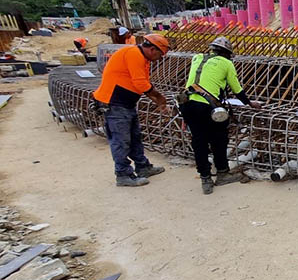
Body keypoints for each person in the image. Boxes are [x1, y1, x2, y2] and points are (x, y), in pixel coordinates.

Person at [179, 37, 262, 194]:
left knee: (199, 142)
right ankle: (222, 173)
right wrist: (250, 103)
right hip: (207, 106)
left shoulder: (197, 58)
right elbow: (237, 89)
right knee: (219, 139)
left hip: (186, 104)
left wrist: (184, 118)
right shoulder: (226, 63)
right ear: (226, 53)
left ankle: (205, 179)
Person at [92, 34, 170, 187]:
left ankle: (142, 167)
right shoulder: (134, 54)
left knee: (134, 137)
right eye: (160, 54)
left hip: (126, 104)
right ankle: (123, 174)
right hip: (115, 103)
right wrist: (159, 98)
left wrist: (157, 100)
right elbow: (140, 83)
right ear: (152, 49)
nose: (160, 58)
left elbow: (141, 83)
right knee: (121, 140)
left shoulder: (142, 58)